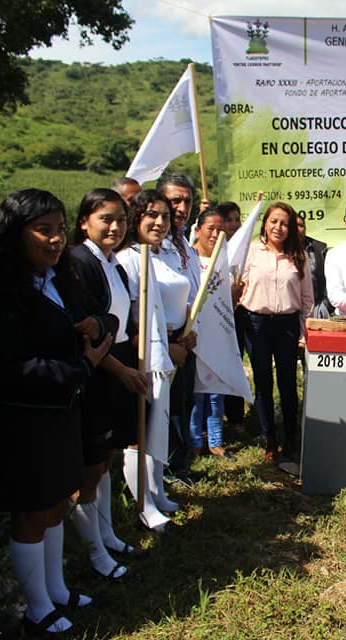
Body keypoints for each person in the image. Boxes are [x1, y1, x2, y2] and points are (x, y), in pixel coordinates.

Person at [0, 189, 113, 635]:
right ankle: (37, 606)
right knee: (32, 512)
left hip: (64, 412)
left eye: (59, 230)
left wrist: (98, 324)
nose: (55, 240)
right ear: (15, 233)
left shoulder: (60, 278)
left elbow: (101, 317)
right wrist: (80, 367)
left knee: (57, 503)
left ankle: (57, 590)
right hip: (27, 419)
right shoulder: (4, 290)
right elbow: (14, 365)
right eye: (43, 230)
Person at [70, 188, 149, 574]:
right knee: (90, 467)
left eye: (121, 219)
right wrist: (122, 371)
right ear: (85, 221)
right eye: (106, 219)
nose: (115, 227)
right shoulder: (79, 261)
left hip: (117, 365)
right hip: (98, 371)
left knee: (106, 462)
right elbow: (88, 334)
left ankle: (109, 537)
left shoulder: (112, 263)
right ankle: (95, 554)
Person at [117, 190, 197, 530]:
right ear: (135, 218)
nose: (160, 222)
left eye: (165, 216)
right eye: (151, 215)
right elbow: (131, 313)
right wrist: (161, 344)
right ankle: (143, 503)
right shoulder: (129, 258)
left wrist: (183, 339)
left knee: (160, 423)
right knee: (142, 427)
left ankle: (157, 490)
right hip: (143, 351)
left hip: (172, 349)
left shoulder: (167, 254)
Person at [237, 202, 314, 460]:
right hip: (256, 323)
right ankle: (268, 436)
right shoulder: (251, 252)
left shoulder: (298, 255)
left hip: (287, 325)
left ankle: (290, 436)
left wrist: (303, 333)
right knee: (262, 382)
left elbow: (306, 300)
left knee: (288, 383)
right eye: (273, 221)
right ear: (265, 223)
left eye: (284, 223)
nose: (278, 227)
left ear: (291, 228)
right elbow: (239, 287)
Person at [156, 173, 203, 480]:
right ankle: (169, 470)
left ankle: (179, 464)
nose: (182, 207)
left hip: (186, 337)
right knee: (167, 409)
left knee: (182, 404)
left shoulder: (182, 241)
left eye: (187, 200)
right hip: (163, 338)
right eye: (175, 200)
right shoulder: (153, 245)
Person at [189, 208, 234, 461]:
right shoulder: (188, 258)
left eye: (221, 230)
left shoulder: (223, 262)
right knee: (196, 391)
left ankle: (216, 441)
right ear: (198, 231)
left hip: (217, 333)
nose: (216, 234)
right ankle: (194, 440)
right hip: (193, 334)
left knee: (216, 389)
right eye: (210, 229)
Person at [215, 201, 247, 428]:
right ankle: (215, 419)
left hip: (241, 314)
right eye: (229, 220)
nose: (234, 224)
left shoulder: (246, 247)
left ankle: (236, 417)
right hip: (216, 316)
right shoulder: (212, 248)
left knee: (235, 363)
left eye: (237, 219)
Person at [296, 212, 331, 318]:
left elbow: (329, 282)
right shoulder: (278, 251)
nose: (297, 229)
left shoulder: (319, 249)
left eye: (301, 225)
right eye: (293, 226)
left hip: (315, 310)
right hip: (288, 313)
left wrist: (324, 306)